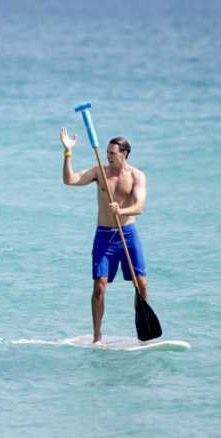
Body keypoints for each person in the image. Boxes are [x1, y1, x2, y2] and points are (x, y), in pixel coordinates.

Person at [60, 128, 148, 344]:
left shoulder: (137, 175)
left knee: (142, 284)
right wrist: (68, 153)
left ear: (124, 153)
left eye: (112, 153)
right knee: (99, 285)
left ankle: (143, 332)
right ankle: (97, 337)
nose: (108, 157)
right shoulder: (99, 171)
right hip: (104, 235)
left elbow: (139, 206)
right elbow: (70, 180)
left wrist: (122, 211)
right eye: (107, 153)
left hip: (128, 234)